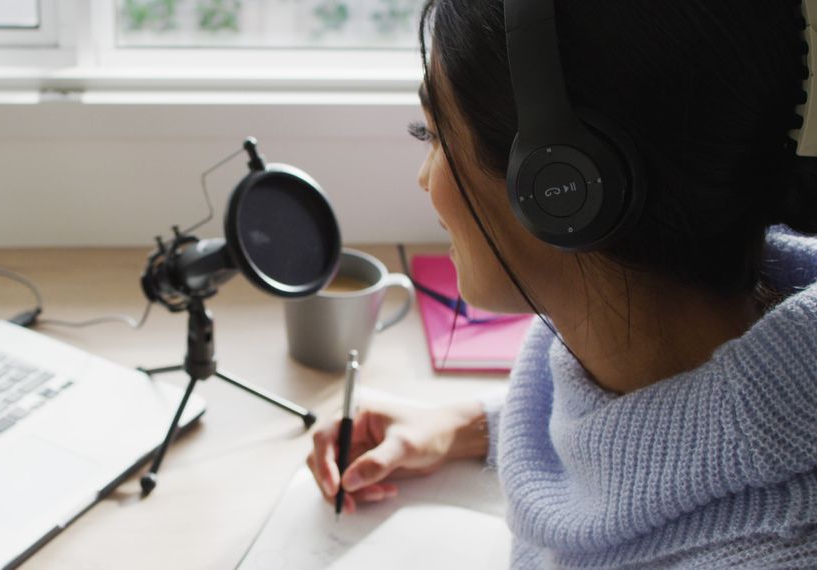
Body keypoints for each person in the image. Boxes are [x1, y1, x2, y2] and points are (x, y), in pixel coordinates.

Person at [306, 0, 817, 567]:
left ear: (563, 184)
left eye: (431, 132)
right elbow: (673, 438)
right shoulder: (631, 349)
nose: (423, 178)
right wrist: (467, 423)